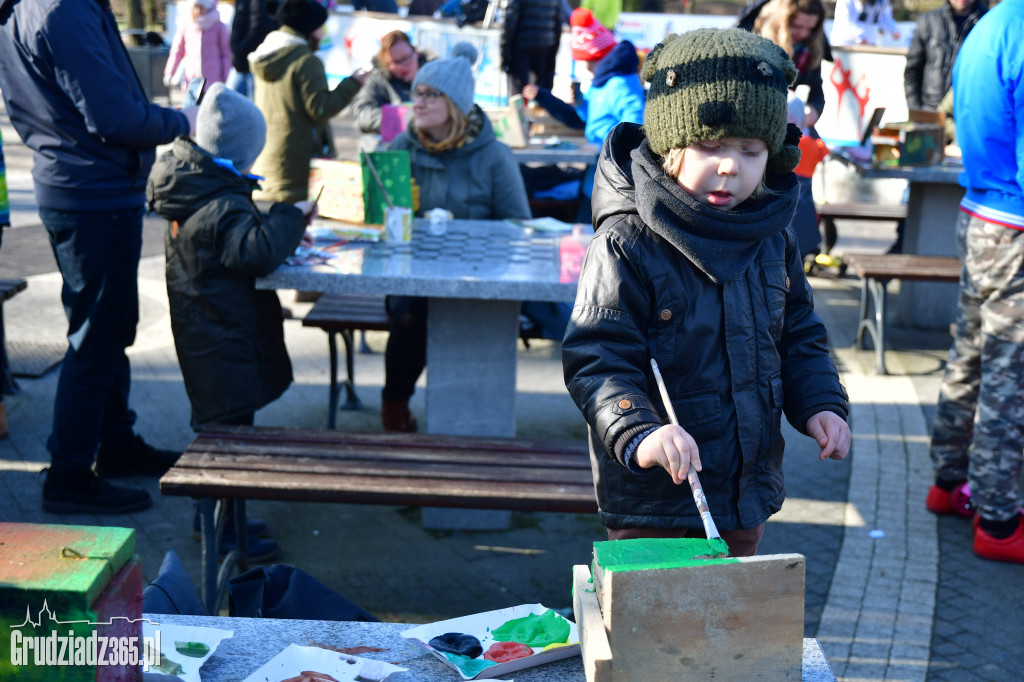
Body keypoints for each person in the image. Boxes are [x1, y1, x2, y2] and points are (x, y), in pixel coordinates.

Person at [561, 28, 851, 556]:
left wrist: (821, 403)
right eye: (710, 146)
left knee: (731, 627)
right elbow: (596, 355)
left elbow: (799, 333)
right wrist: (639, 430)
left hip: (744, 490)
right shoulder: (628, 241)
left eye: (751, 150)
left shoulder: (771, 233)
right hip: (655, 495)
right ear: (671, 145)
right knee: (655, 628)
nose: (729, 165)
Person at [0, 0, 192, 514]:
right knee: (97, 336)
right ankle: (69, 474)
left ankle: (115, 443)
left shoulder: (39, 8)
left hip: (80, 188)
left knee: (106, 328)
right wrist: (183, 119)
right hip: (93, 194)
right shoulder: (61, 10)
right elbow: (114, 117)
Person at [382, 42, 531, 432]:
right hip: (414, 276)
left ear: (457, 105)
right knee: (409, 313)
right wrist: (393, 210)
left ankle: (474, 428)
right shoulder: (401, 148)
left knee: (473, 319)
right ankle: (394, 404)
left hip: (480, 277)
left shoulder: (494, 155)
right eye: (417, 92)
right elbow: (379, 220)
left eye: (432, 95)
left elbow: (519, 226)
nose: (420, 102)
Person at [926, 0, 1024, 564]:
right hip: (1015, 223)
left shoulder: (989, 26)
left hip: (981, 210)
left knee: (971, 352)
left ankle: (948, 481)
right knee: (1009, 372)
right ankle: (999, 517)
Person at [521, 8, 644, 221]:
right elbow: (599, 117)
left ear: (594, 57)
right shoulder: (603, 81)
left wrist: (601, 147)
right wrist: (580, 104)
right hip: (598, 173)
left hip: (615, 177)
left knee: (594, 227)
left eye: (581, 60)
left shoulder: (620, 83)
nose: (579, 65)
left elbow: (635, 125)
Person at [249, 0, 366, 203]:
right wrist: (354, 83)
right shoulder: (306, 61)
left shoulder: (266, 54)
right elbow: (320, 108)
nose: (323, 33)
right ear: (309, 28)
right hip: (298, 168)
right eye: (321, 27)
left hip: (268, 162)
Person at [349, 30, 428, 151]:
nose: (404, 65)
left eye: (407, 58)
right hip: (394, 153)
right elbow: (361, 114)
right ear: (386, 64)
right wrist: (397, 118)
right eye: (396, 62)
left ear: (416, 52)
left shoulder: (433, 75)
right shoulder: (379, 81)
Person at [903, 0, 986, 112]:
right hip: (931, 111)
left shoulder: (988, 22)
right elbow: (912, 72)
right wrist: (917, 111)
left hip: (970, 113)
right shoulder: (928, 21)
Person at [163, 0, 232, 95]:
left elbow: (226, 54)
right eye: (196, 7)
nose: (198, 10)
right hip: (192, 79)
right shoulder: (186, 26)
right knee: (191, 108)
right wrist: (170, 72)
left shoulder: (219, 27)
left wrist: (226, 76)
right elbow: (177, 51)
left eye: (201, 7)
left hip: (214, 81)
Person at [500, 0, 564, 95]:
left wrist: (505, 54)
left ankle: (519, 109)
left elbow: (509, 22)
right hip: (545, 45)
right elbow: (558, 20)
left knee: (518, 93)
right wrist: (554, 49)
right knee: (542, 93)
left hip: (520, 47)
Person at [227, 0, 280, 98]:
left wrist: (240, 49)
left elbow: (259, 28)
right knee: (229, 101)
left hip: (252, 63)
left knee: (252, 106)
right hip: (240, 63)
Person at [829, 0, 900, 47]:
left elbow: (885, 18)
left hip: (870, 45)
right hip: (845, 45)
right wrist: (859, 39)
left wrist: (894, 30)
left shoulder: (883, 1)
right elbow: (844, 20)